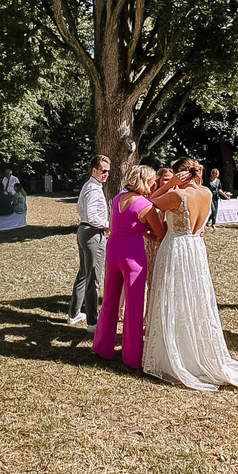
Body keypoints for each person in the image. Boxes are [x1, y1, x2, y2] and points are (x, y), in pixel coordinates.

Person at [142, 158, 238, 394]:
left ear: (181, 174)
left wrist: (168, 184)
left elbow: (149, 201)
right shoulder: (205, 192)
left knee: (174, 295)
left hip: (177, 247)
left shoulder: (177, 195)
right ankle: (192, 348)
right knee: (194, 298)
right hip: (195, 248)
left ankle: (177, 353)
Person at [93, 165, 165, 369]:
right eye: (153, 181)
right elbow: (159, 233)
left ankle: (102, 347)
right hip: (133, 256)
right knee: (134, 306)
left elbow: (125, 225)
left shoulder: (117, 199)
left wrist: (141, 231)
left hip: (113, 252)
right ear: (146, 181)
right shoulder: (146, 205)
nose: (154, 184)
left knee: (110, 300)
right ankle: (132, 356)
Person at [68, 155, 110, 330]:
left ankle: (74, 313)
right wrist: (108, 225)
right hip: (92, 233)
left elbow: (80, 208)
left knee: (84, 274)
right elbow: (92, 216)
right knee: (93, 278)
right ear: (94, 170)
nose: (106, 174)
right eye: (103, 171)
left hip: (84, 230)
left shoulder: (89, 186)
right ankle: (93, 322)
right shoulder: (93, 189)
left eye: (108, 171)